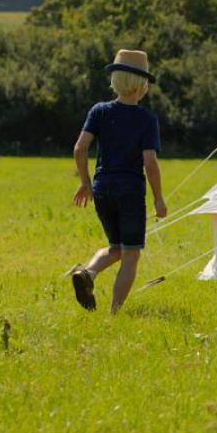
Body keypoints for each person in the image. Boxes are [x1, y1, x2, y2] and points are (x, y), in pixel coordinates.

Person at [68, 48, 168, 314]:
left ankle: (88, 272)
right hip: (130, 192)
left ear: (115, 80)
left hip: (102, 188)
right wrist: (158, 198)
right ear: (142, 85)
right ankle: (115, 313)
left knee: (116, 248)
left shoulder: (99, 111)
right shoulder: (147, 119)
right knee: (131, 253)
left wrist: (85, 183)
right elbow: (150, 163)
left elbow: (80, 148)